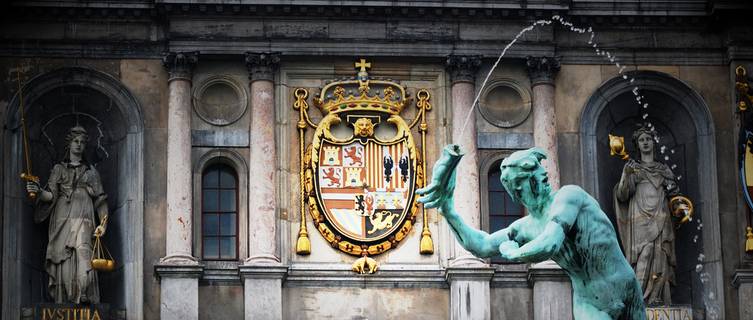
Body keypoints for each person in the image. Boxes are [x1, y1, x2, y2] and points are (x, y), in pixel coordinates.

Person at [418, 145, 645, 319]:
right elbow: (481, 245)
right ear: (518, 186)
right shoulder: (525, 227)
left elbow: (550, 243)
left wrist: (513, 253)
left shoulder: (569, 196)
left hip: (623, 288)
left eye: (539, 173)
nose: (541, 177)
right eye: (532, 175)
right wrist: (448, 210)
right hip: (588, 301)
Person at [26, 125, 108, 304]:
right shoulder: (58, 169)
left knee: (84, 253)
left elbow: (101, 201)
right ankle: (65, 297)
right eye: (75, 141)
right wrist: (38, 191)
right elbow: (51, 195)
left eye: (82, 142)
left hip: (84, 215)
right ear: (69, 144)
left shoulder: (91, 172)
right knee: (62, 255)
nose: (78, 145)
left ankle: (83, 294)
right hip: (62, 216)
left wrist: (103, 223)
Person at [614, 125, 679, 306]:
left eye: (648, 139)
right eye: (641, 140)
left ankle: (657, 297)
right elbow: (622, 195)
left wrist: (673, 191)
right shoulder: (633, 168)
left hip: (661, 214)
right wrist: (626, 176)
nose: (645, 143)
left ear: (653, 142)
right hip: (639, 219)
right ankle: (638, 298)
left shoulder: (664, 169)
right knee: (645, 252)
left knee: (660, 253)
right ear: (637, 144)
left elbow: (675, 197)